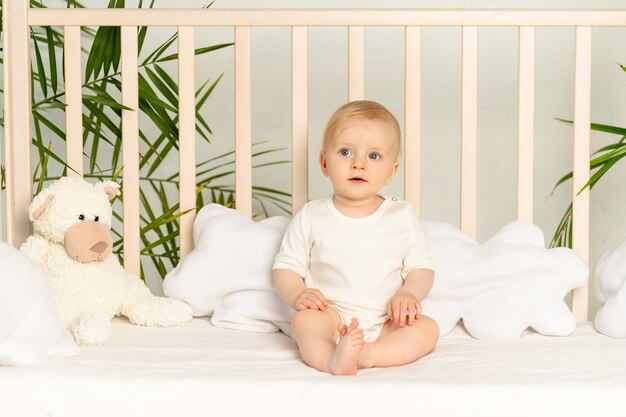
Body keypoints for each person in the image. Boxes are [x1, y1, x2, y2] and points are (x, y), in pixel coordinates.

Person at [273, 100, 439, 376]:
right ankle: (331, 359)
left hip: (388, 318)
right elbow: (287, 267)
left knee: (428, 329)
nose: (359, 164)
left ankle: (369, 354)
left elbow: (421, 268)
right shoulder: (311, 215)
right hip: (330, 313)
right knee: (304, 322)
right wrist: (298, 294)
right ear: (325, 163)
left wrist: (409, 293)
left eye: (374, 156)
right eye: (346, 152)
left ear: (391, 172)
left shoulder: (401, 216)